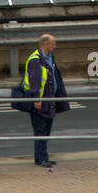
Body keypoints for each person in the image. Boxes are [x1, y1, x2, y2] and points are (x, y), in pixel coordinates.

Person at [22, 33, 67, 168]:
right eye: (53, 44)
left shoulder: (49, 58)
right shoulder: (36, 60)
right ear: (45, 44)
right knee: (41, 130)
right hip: (41, 100)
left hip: (49, 99)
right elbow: (35, 81)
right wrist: (36, 99)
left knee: (46, 130)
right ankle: (41, 159)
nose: (55, 46)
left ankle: (42, 157)